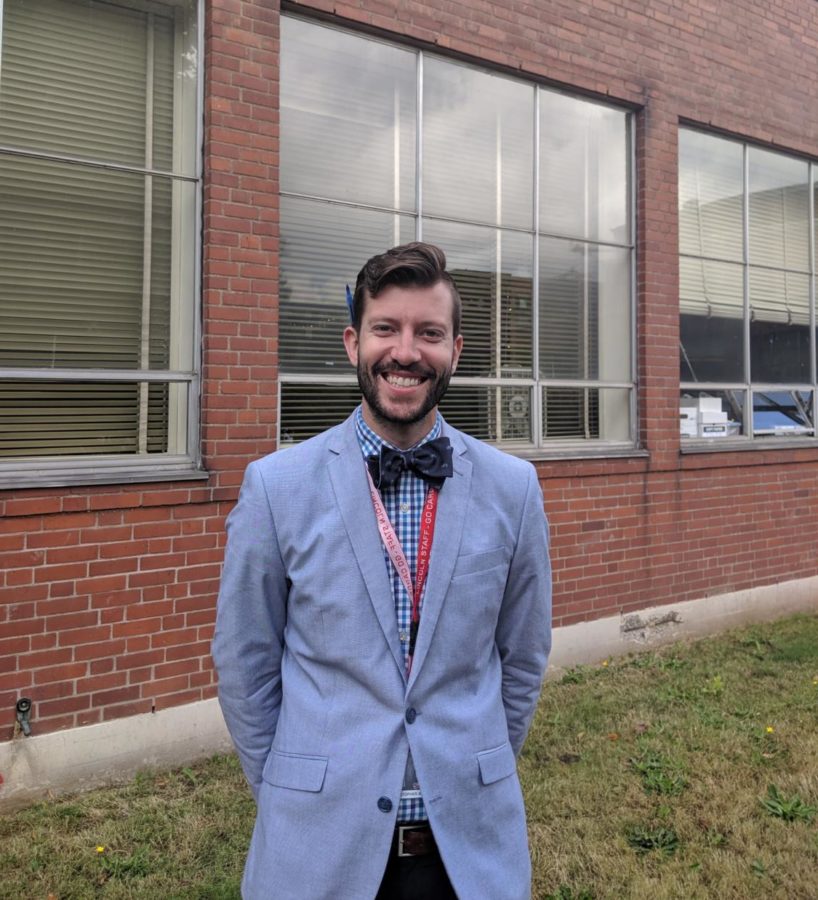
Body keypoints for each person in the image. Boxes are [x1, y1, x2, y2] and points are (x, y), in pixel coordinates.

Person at [212, 242, 552, 900]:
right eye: (385, 329)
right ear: (353, 342)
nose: (405, 352)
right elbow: (244, 658)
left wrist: (478, 766)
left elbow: (524, 653)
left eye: (428, 332)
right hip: (317, 849)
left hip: (466, 855)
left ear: (456, 349)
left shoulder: (514, 489)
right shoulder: (276, 488)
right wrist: (290, 783)